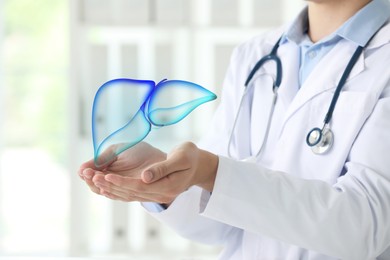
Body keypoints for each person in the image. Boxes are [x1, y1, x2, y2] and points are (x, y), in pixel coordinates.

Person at [78, 0, 390, 258]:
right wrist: (169, 180)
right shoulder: (254, 55)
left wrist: (212, 173)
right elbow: (218, 225)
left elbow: (365, 228)